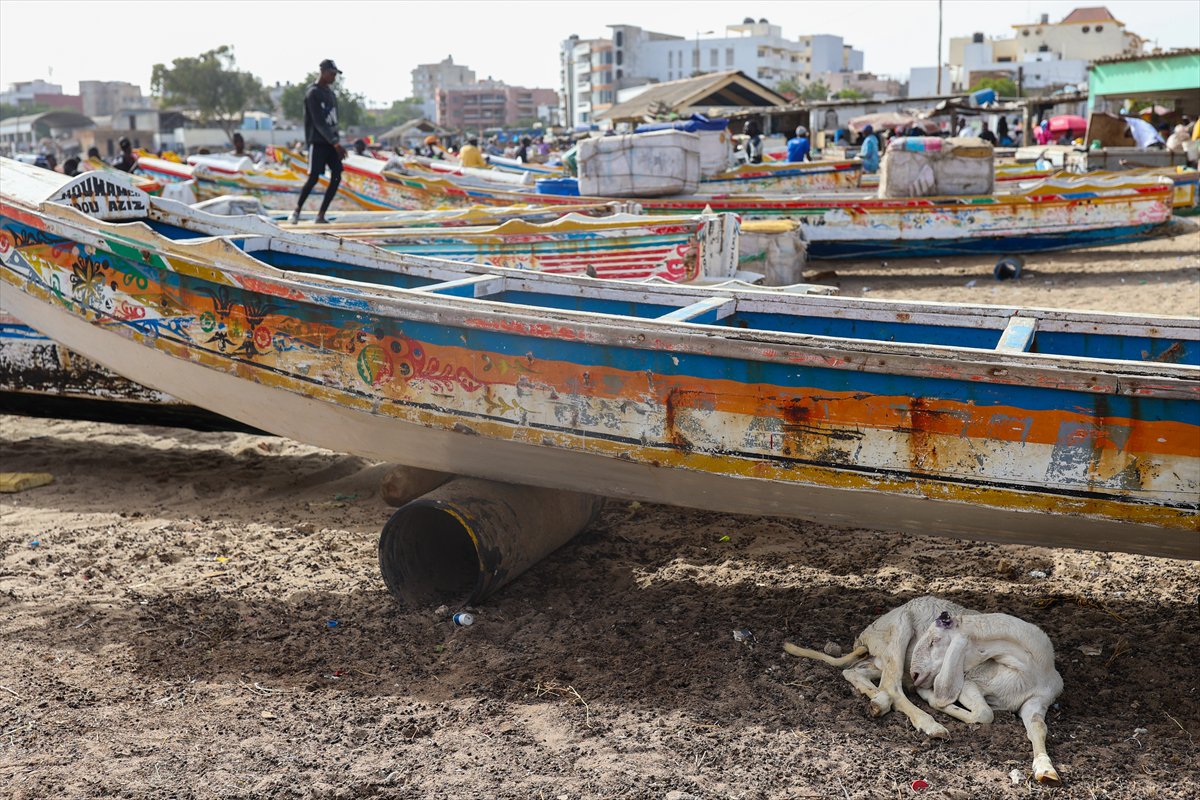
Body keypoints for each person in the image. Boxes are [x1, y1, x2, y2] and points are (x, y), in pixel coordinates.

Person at [291, 58, 346, 224]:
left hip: (331, 143)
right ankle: (297, 210)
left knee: (337, 175)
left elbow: (333, 121)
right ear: (322, 72)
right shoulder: (312, 93)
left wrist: (336, 141)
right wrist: (334, 142)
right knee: (314, 177)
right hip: (318, 142)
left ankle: (321, 214)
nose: (334, 77)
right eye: (332, 74)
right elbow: (318, 122)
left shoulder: (331, 94)